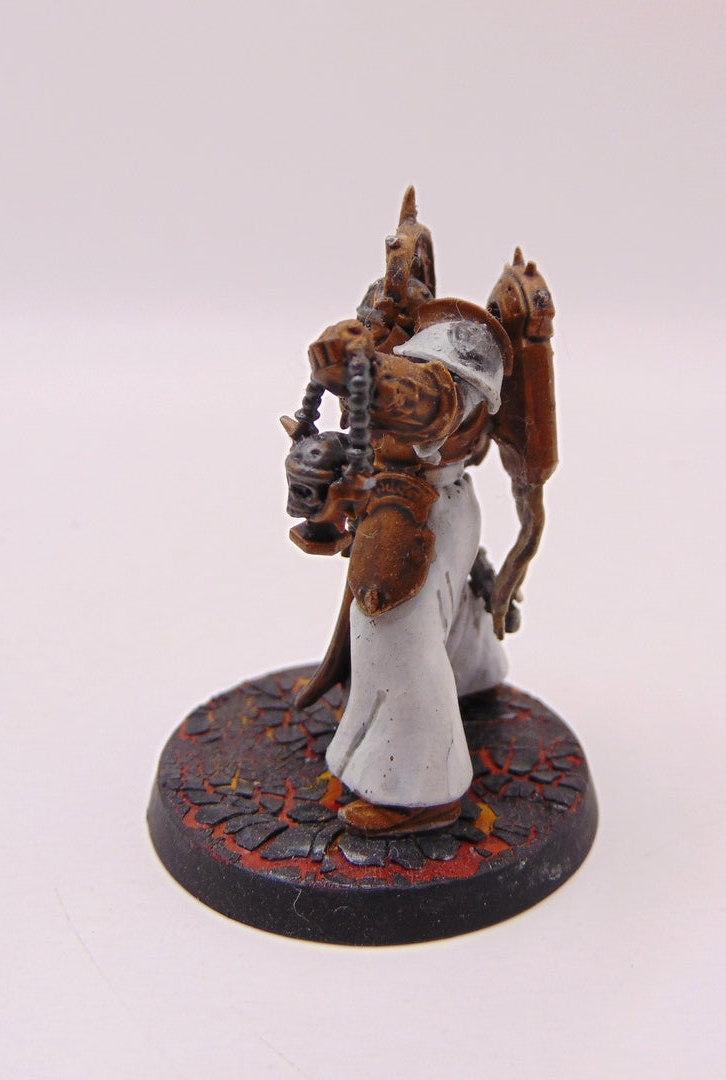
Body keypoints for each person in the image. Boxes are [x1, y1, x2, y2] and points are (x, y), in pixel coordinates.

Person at [282, 190, 556, 836]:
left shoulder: (464, 350)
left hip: (423, 508)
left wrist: (368, 374)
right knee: (443, 608)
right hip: (427, 505)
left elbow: (430, 404)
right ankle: (470, 676)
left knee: (394, 632)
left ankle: (417, 789)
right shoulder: (395, 328)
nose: (394, 285)